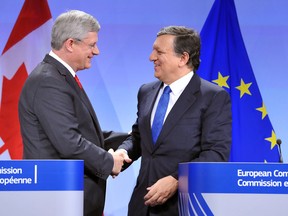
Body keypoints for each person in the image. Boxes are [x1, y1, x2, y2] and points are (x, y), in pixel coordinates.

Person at [18, 10, 130, 216]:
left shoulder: (59, 77)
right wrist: (109, 162)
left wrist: (132, 141)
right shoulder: (48, 81)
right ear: (70, 44)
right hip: (57, 198)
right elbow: (68, 141)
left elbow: (82, 131)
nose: (96, 52)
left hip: (68, 196)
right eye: (91, 45)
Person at [117, 26, 232, 215]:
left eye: (159, 51)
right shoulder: (146, 91)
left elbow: (216, 153)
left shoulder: (212, 97)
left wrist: (178, 180)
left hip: (182, 206)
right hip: (141, 204)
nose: (151, 57)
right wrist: (123, 151)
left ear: (183, 58)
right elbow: (139, 136)